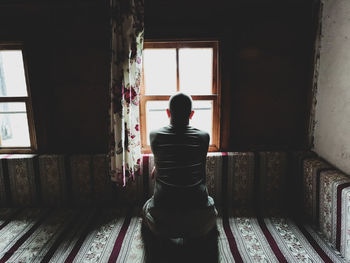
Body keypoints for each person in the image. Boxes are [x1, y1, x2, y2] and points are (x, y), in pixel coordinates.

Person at [142, 92, 218, 243]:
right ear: (192, 114)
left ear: (168, 113)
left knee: (146, 208)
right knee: (211, 211)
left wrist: (158, 167)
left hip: (164, 217)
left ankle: (164, 237)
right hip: (198, 217)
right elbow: (196, 161)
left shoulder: (154, 135)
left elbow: (164, 157)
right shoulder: (204, 137)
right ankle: (194, 235)